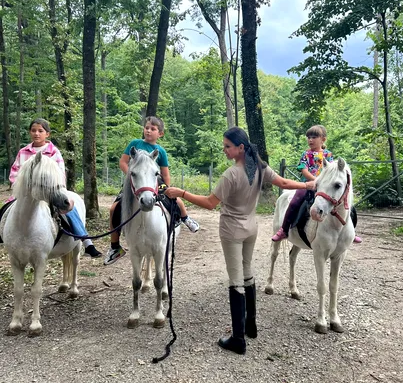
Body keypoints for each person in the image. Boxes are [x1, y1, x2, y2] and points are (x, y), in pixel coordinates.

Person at [165, 126, 316, 355]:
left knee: (235, 280)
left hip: (232, 230)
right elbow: (284, 183)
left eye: (228, 146)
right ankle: (250, 325)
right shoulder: (259, 167)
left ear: (241, 147)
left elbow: (210, 203)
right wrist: (306, 185)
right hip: (251, 227)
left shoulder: (231, 174)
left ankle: (238, 339)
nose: (224, 150)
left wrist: (182, 193)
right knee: (248, 273)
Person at [103, 116, 200, 265]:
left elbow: (165, 173)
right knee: (113, 209)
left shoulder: (160, 151)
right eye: (147, 127)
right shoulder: (134, 144)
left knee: (177, 200)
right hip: (134, 182)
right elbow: (123, 162)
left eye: (153, 129)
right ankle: (115, 247)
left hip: (154, 182)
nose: (148, 131)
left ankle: (185, 218)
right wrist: (132, 176)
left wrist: (166, 188)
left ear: (160, 133)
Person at [5, 118, 102, 257]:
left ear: (47, 134)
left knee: (69, 210)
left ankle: (86, 242)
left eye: (40, 131)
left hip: (49, 192)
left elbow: (60, 174)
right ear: (29, 132)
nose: (36, 133)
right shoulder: (23, 152)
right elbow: (14, 173)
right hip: (26, 194)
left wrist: (54, 190)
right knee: (6, 210)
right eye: (33, 130)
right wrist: (21, 187)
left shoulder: (53, 152)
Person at [271, 124, 362, 243]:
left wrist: (322, 182)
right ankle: (284, 229)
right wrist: (315, 181)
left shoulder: (328, 155)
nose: (310, 140)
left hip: (325, 187)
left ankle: (350, 232)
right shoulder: (306, 154)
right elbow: (303, 169)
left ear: (323, 139)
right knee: (294, 202)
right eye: (308, 137)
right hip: (307, 185)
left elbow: (331, 170)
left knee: (347, 206)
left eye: (314, 137)